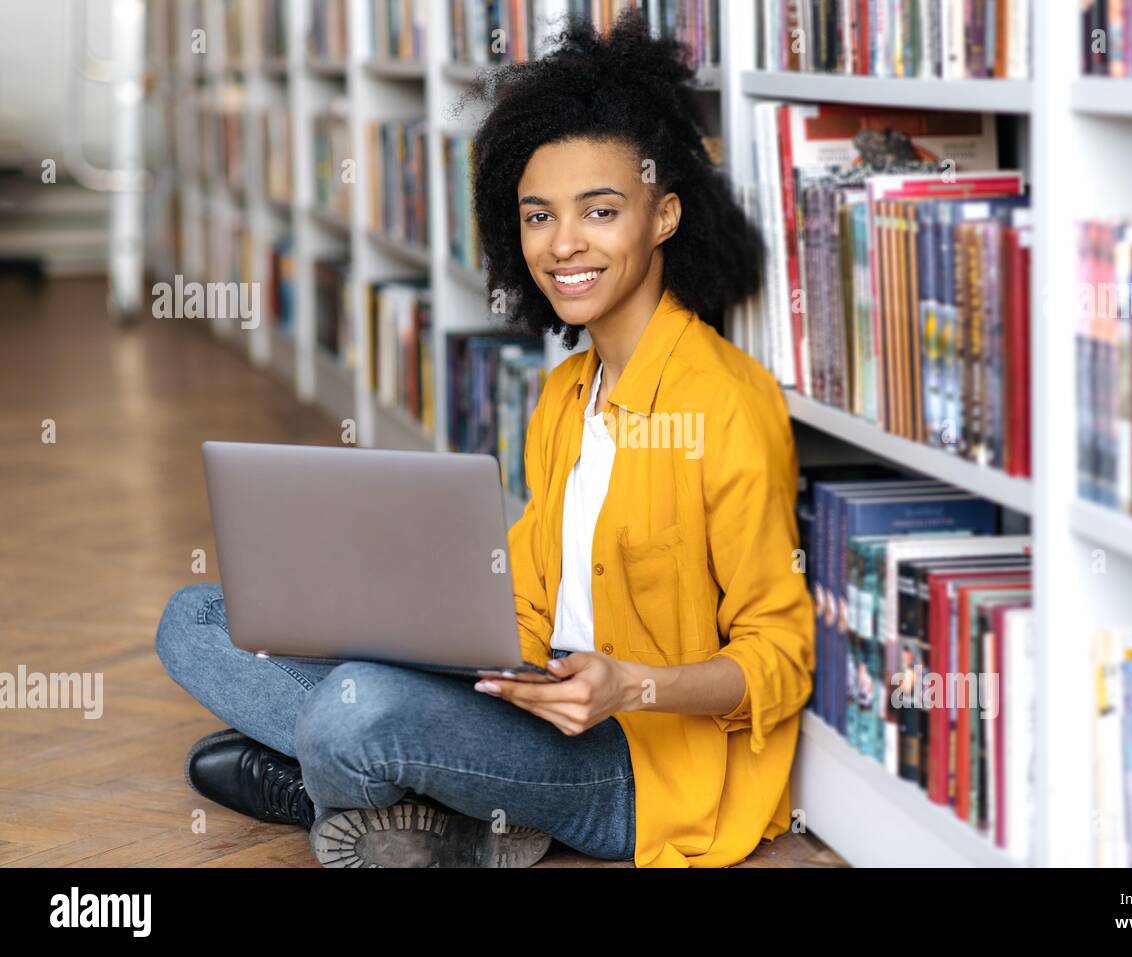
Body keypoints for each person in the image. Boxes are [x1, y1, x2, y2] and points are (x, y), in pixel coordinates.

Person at [154, 9, 814, 869]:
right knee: (196, 619)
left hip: (631, 757)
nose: (564, 243)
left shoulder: (727, 403)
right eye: (538, 217)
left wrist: (630, 683)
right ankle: (426, 800)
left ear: (664, 216)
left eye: (601, 210)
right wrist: (394, 617)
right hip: (522, 692)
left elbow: (781, 656)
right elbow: (529, 599)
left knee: (356, 706)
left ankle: (351, 781)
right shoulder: (565, 394)